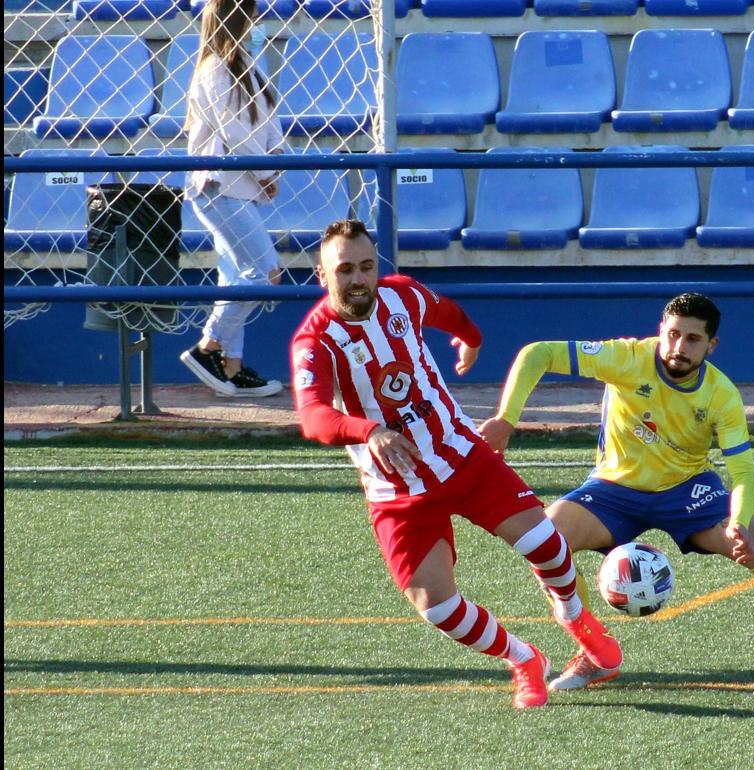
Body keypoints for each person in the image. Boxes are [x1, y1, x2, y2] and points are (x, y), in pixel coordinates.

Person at [290, 219, 621, 709]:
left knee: (546, 545)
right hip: (398, 489)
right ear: (322, 275)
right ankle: (524, 659)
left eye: (366, 266)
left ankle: (576, 620)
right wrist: (371, 431)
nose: (359, 279)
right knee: (437, 607)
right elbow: (313, 417)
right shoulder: (315, 341)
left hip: (459, 452)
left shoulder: (401, 294)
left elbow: (446, 310)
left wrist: (471, 337)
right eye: (345, 270)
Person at [480, 292, 754, 690]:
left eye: (693, 339)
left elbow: (744, 475)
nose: (679, 347)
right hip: (614, 488)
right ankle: (595, 652)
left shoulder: (721, 394)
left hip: (687, 490)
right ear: (660, 330)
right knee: (545, 542)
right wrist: (506, 419)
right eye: (673, 334)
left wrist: (737, 521)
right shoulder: (626, 358)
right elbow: (538, 353)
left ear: (711, 345)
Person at [179, 0, 284, 397]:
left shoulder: (252, 68)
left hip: (245, 188)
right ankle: (208, 346)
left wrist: (274, 160)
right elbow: (234, 131)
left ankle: (232, 365)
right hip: (218, 188)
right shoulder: (214, 70)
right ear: (236, 21)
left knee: (235, 277)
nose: (258, 25)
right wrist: (264, 171)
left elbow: (270, 122)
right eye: (252, 18)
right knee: (265, 273)